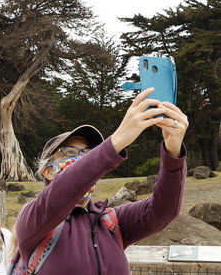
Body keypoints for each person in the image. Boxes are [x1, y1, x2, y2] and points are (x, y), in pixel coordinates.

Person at [13, 88, 188, 275]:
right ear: (47, 172)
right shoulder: (33, 219)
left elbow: (164, 210)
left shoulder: (111, 222)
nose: (81, 159)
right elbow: (66, 187)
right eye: (70, 153)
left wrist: (173, 151)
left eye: (88, 154)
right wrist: (118, 140)